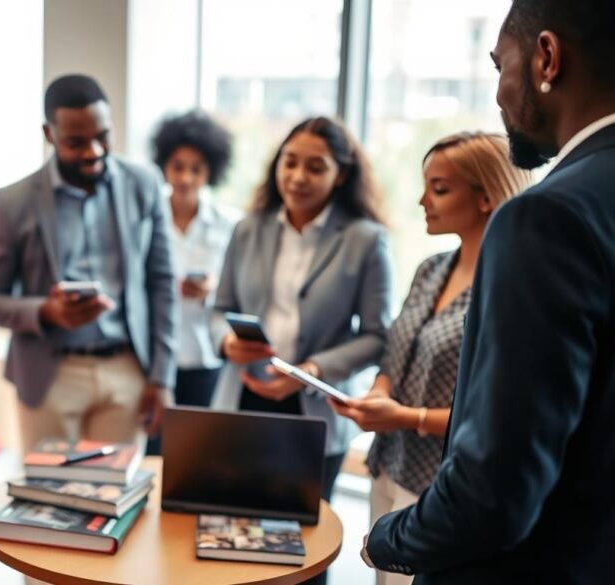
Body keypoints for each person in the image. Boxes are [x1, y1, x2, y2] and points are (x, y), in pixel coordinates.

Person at [362, 1, 615, 582]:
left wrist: (385, 541)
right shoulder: (433, 267)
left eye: (500, 65)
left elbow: (494, 493)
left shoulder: (547, 218)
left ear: (546, 58)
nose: (499, 94)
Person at [329, 132, 532, 585]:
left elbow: (501, 413)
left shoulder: (508, 287)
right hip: (387, 466)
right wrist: (379, 395)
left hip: (441, 486)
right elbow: (395, 352)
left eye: (439, 189)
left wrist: (406, 416)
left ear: (486, 196)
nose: (423, 200)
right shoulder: (431, 269)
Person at [0, 74, 177, 452]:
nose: (93, 152)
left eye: (102, 136)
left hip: (127, 369)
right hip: (49, 374)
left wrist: (162, 378)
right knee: (46, 499)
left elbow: (163, 283)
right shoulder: (13, 201)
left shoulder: (144, 184)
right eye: (76, 142)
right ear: (49, 134)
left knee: (115, 500)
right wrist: (46, 311)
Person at [211, 116, 392, 504]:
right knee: (226, 528)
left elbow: (378, 336)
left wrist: (312, 371)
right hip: (242, 397)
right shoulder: (248, 229)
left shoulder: (365, 240)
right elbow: (220, 308)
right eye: (289, 162)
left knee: (305, 546)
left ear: (340, 174)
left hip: (314, 405)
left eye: (315, 167)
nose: (297, 177)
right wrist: (226, 342)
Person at [146, 110, 239, 455]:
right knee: (154, 453)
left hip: (206, 359)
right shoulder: (148, 219)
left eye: (195, 168)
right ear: (164, 166)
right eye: (177, 166)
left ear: (210, 171)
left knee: (198, 452)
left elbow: (239, 292)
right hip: (157, 359)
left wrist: (211, 290)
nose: (185, 177)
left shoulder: (230, 225)